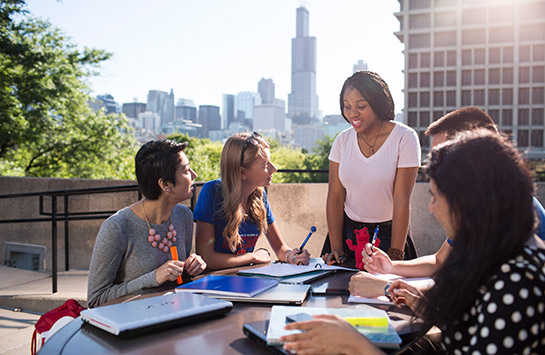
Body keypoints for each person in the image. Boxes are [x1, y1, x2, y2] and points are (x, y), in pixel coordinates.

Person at [281, 131, 545, 354]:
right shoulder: (499, 249)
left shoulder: (516, 281)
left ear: (470, 204)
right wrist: (418, 302)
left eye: (436, 197)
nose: (431, 208)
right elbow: (470, 324)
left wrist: (356, 345)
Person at [350, 106, 545, 298]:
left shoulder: (515, 219)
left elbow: (464, 304)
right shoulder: (480, 208)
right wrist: (391, 266)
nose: (436, 166)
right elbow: (439, 260)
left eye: (442, 155)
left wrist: (387, 289)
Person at [87, 140, 207, 308]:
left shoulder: (183, 216)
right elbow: (96, 299)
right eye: (186, 170)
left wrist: (191, 267)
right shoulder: (117, 227)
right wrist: (153, 278)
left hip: (174, 316)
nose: (194, 175)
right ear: (165, 184)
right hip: (133, 325)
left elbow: (179, 280)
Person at [323, 71, 421, 265]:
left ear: (377, 104)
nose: (352, 113)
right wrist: (336, 247)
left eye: (361, 106)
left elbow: (402, 200)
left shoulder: (405, 137)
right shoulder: (342, 141)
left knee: (387, 294)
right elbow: (335, 197)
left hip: (389, 235)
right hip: (347, 235)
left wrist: (395, 254)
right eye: (347, 106)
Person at [194, 132, 310, 270]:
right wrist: (252, 257)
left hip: (246, 279)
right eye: (265, 165)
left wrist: (292, 256)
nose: (274, 169)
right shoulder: (212, 192)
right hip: (217, 284)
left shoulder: (258, 195)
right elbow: (206, 258)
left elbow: (280, 248)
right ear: (242, 172)